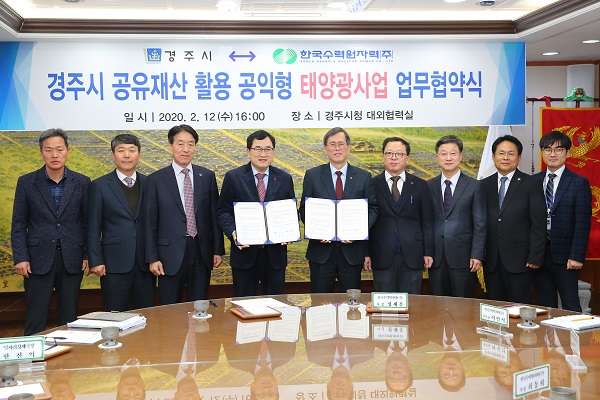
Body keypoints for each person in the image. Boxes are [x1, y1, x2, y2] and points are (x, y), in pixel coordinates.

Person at [11, 128, 90, 335]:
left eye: (59, 149)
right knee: (36, 316)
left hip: (72, 258)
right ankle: (32, 354)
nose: (54, 155)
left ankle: (69, 354)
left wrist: (87, 255)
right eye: (49, 150)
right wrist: (21, 257)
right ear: (41, 152)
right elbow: (18, 223)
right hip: (37, 259)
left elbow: (87, 223)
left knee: (69, 317)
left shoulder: (82, 182)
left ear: (68, 151)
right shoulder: (26, 182)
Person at [145, 124, 224, 305]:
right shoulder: (156, 180)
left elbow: (214, 216)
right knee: (169, 308)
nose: (186, 149)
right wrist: (153, 257)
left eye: (191, 144)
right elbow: (150, 222)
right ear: (170, 146)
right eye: (180, 144)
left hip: (201, 252)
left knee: (199, 307)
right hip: (168, 255)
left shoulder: (207, 176)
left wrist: (217, 250)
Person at [217, 130, 295, 297]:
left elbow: (290, 211)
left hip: (275, 256)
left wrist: (290, 231)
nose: (263, 154)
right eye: (258, 149)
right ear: (248, 151)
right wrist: (233, 232)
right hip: (244, 255)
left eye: (268, 149)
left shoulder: (284, 178)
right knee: (244, 304)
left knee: (276, 304)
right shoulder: (234, 177)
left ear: (273, 151)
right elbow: (223, 211)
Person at [299, 127, 377, 293]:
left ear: (348, 147)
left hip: (352, 252)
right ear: (325, 148)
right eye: (332, 144)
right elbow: (305, 209)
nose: (337, 148)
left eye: (341, 144)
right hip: (321, 252)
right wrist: (317, 231)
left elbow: (372, 209)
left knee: (351, 303)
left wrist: (358, 231)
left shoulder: (363, 177)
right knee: (320, 302)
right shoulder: (312, 175)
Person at [87, 134, 155, 311]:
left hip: (145, 264)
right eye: (121, 151)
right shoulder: (100, 186)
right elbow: (93, 227)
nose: (127, 155)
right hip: (113, 264)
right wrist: (96, 260)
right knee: (114, 313)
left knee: (146, 314)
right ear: (113, 155)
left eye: (132, 150)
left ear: (139, 155)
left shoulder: (150, 183)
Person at [481, 135, 546, 303]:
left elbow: (538, 224)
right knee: (495, 306)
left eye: (511, 153)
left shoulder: (531, 184)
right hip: (492, 260)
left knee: (519, 306)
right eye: (501, 153)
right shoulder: (484, 185)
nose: (506, 158)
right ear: (493, 156)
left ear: (519, 157)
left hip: (521, 260)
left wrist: (535, 256)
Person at [365, 137, 433, 294]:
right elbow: (365, 222)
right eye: (389, 153)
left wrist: (428, 252)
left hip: (413, 254)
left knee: (412, 302)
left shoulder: (420, 185)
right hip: (381, 254)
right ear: (383, 156)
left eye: (399, 154)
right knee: (384, 304)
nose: (393, 158)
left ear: (407, 158)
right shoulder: (371, 185)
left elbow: (427, 222)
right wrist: (366, 254)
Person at [533, 130, 592, 312]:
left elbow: (583, 223)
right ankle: (547, 332)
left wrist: (576, 256)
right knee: (544, 306)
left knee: (570, 305)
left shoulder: (578, 183)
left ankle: (575, 333)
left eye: (558, 150)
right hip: (539, 256)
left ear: (567, 153)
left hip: (566, 256)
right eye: (548, 149)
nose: (553, 154)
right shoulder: (533, 181)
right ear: (542, 153)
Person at [426, 135, 486, 298]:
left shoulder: (474, 186)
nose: (448, 158)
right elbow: (426, 222)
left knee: (463, 304)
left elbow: (480, 224)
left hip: (464, 257)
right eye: (443, 153)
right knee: (437, 304)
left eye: (453, 153)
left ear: (460, 156)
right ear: (437, 157)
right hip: (436, 258)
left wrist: (477, 254)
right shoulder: (428, 186)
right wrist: (427, 252)